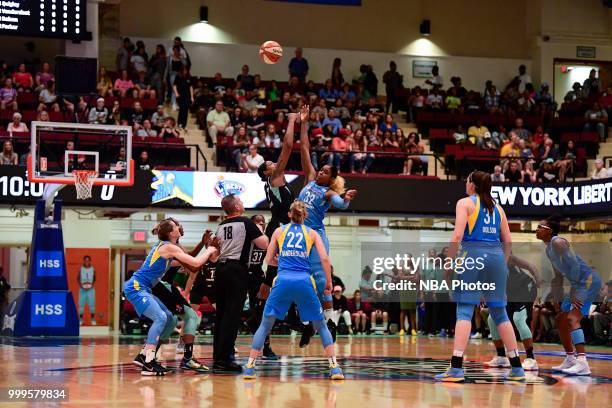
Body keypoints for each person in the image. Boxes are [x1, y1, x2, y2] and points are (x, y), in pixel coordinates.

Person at [435, 171, 525, 382]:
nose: (465, 184)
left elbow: (457, 235)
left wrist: (449, 262)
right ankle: (517, 368)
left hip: (472, 257)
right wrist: (500, 266)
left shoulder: (465, 203)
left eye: (466, 180)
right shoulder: (498, 209)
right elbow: (508, 242)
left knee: (465, 311)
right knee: (500, 314)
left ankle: (456, 368)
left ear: (472, 185)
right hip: (496, 260)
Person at [243, 201, 344, 380]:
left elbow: (268, 260)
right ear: (305, 216)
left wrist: (281, 261)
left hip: (282, 280)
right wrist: (328, 282)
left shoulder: (279, 231)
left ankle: (250, 366)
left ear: (290, 214)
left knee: (265, 325)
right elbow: (325, 259)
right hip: (304, 281)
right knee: (321, 325)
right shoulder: (312, 233)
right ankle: (334, 367)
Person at [123, 219, 219, 376]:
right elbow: (194, 262)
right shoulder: (168, 247)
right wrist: (210, 250)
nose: (179, 227)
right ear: (171, 233)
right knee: (161, 317)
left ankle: (145, 356)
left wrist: (204, 247)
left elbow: (191, 263)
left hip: (145, 288)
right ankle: (148, 363)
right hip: (137, 287)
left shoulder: (168, 249)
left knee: (168, 318)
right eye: (176, 226)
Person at [297, 105, 357, 346]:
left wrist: (348, 199)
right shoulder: (310, 179)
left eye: (324, 171)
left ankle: (330, 321)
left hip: (316, 236)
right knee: (297, 280)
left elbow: (341, 204)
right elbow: (304, 147)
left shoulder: (329, 192)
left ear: (330, 179)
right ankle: (306, 325)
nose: (320, 171)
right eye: (320, 169)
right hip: (298, 234)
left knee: (321, 281)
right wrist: (303, 123)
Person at [536, 214, 603, 375]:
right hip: (576, 284)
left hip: (587, 282)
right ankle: (570, 358)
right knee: (560, 319)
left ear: (549, 231)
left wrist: (574, 292)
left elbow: (575, 267)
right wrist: (556, 296)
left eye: (540, 227)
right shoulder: (548, 249)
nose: (536, 230)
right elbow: (558, 276)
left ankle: (582, 362)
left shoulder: (558, 242)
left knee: (573, 318)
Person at [213, 194, 269, 372]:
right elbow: (265, 244)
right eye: (241, 201)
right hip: (236, 270)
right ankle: (226, 359)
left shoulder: (221, 225)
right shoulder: (246, 222)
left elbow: (217, 249)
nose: (243, 203)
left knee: (221, 315)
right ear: (236, 207)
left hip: (220, 269)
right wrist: (262, 231)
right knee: (232, 315)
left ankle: (219, 357)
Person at [484, 254, 541, 371]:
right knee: (492, 319)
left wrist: (539, 282)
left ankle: (531, 359)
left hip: (525, 288)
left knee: (518, 319)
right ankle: (501, 357)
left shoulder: (507, 256)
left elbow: (532, 267)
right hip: (509, 292)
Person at [78, 256, 96, 325]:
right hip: (82, 289)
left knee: (92, 304)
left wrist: (91, 285)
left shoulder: (92, 269)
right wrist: (81, 286)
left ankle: (93, 319)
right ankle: (81, 319)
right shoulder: (81, 269)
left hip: (90, 289)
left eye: (88, 260)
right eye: (85, 260)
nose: (87, 262)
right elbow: (78, 278)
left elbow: (94, 278)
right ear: (84, 261)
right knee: (81, 305)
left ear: (90, 261)